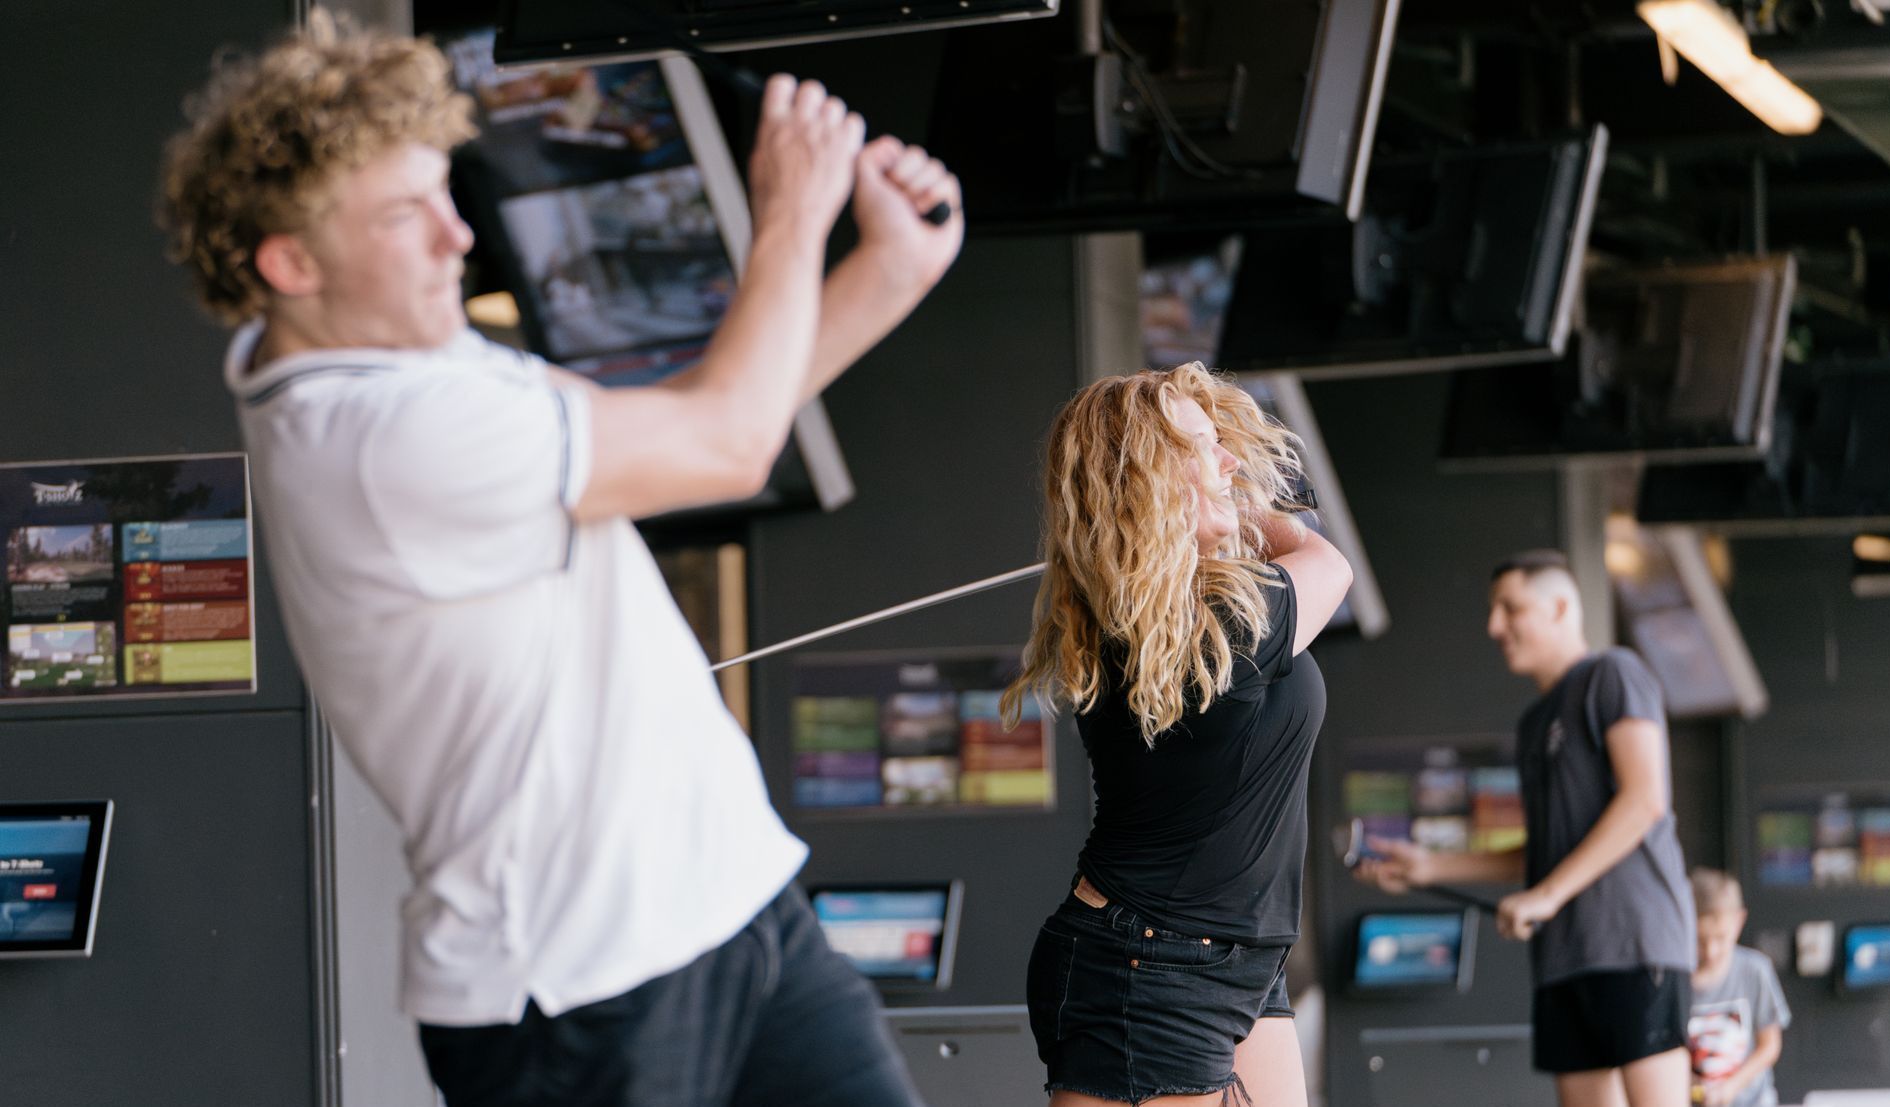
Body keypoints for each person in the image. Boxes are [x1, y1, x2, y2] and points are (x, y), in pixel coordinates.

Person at [157, 12, 962, 1107]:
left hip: (731, 901)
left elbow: (695, 426)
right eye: (406, 215)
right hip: (578, 993)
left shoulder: (410, 367)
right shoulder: (378, 436)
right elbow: (729, 441)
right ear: (290, 262)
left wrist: (889, 270)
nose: (455, 237)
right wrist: (790, 211)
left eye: (446, 193)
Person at [1002, 362, 1353, 1107]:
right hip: (1150, 961)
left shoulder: (1185, 608)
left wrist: (1224, 502)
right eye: (1203, 449)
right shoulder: (1219, 621)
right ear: (1148, 482)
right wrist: (1257, 508)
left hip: (1237, 957)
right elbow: (1326, 561)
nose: (1228, 460)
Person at [1356, 549, 1696, 1107]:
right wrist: (1428, 866)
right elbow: (1545, 850)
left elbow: (1645, 800)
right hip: (1564, 958)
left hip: (1636, 946)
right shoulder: (1535, 721)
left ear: (1562, 606)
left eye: (1510, 609)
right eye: (1493, 612)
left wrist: (1545, 895)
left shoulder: (1613, 674)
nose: (1495, 627)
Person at [1687, 868, 1790, 1107]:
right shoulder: (1675, 981)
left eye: (1720, 938)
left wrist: (1732, 1087)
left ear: (1739, 920)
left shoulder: (1755, 970)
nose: (1710, 951)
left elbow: (1770, 1045)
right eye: (1700, 940)